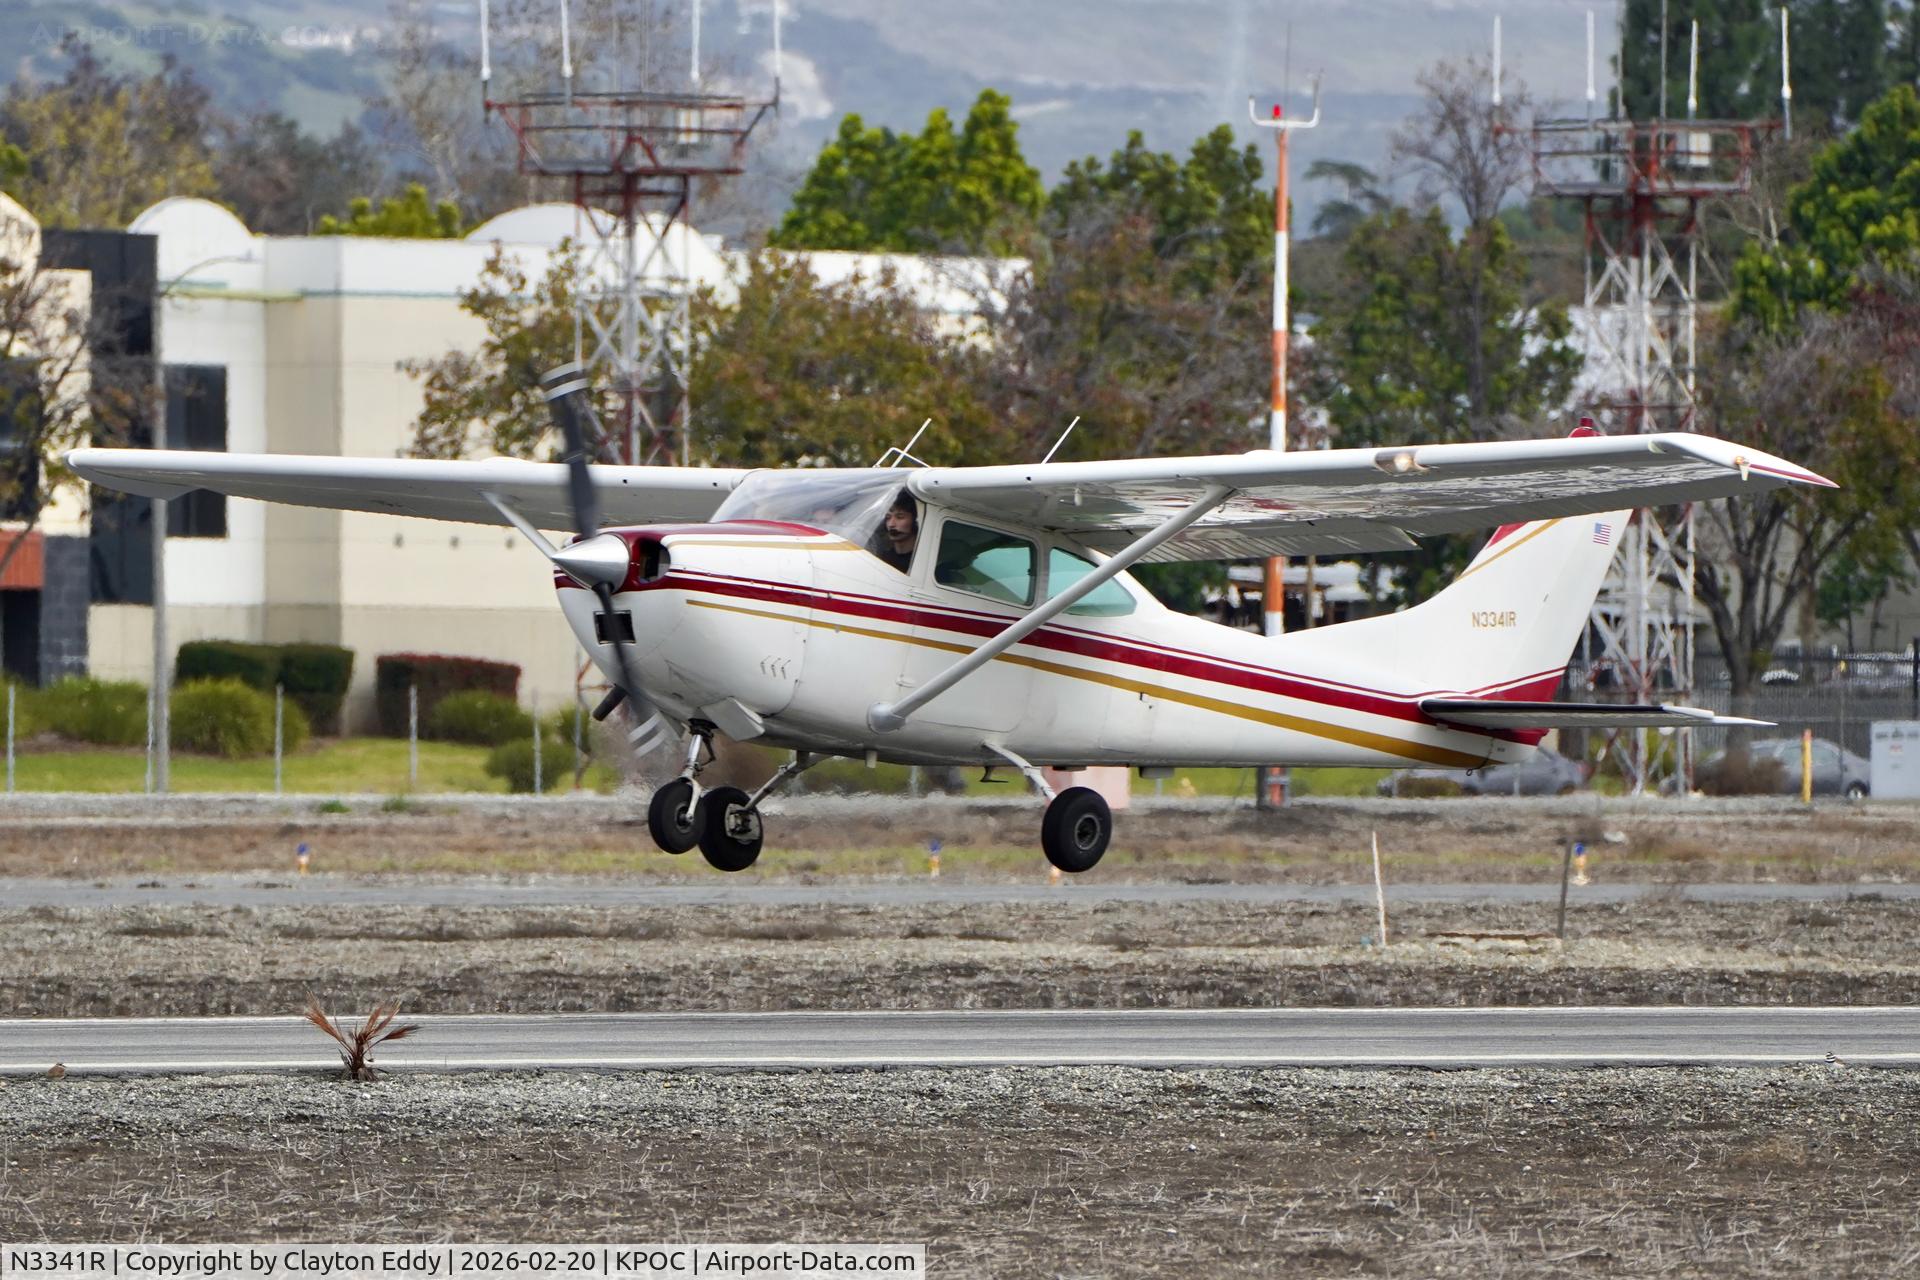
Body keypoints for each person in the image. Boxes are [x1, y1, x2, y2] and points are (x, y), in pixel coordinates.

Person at [873, 492, 918, 572]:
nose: (891, 524)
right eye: (888, 517)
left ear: (915, 521)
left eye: (900, 517)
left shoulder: (921, 561)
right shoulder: (882, 558)